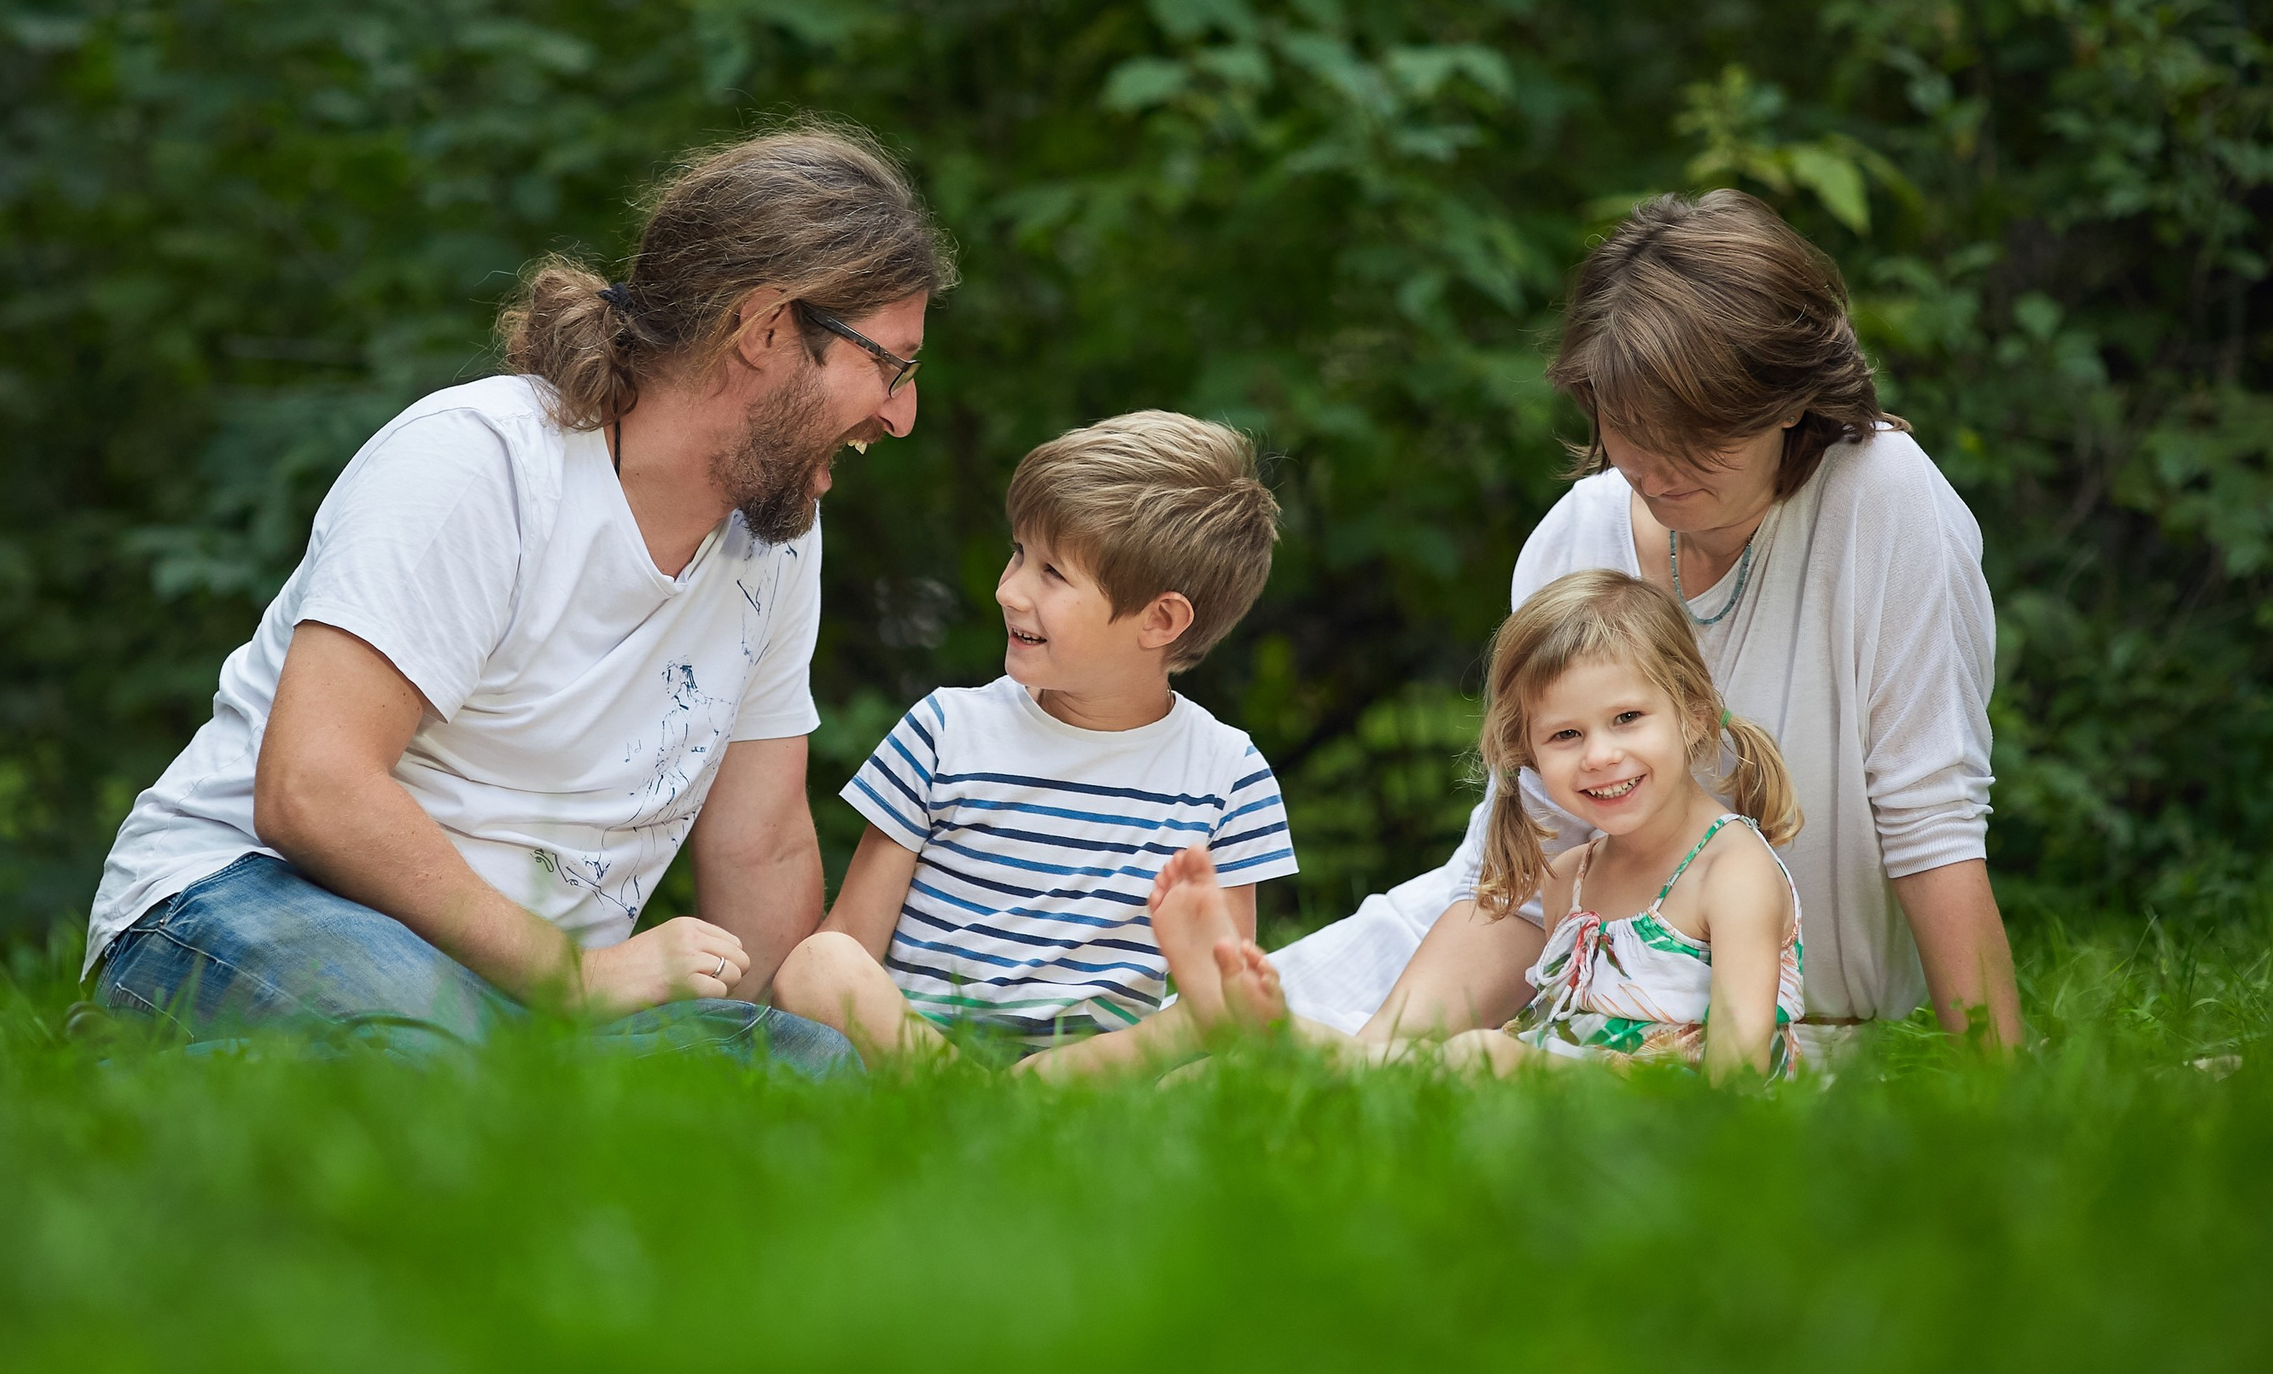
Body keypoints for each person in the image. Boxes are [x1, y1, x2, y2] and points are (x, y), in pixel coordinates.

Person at [83, 123, 954, 1070]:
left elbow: (765, 842)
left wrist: (782, 1041)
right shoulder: (479, 461)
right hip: (257, 897)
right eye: (889, 364)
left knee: (811, 1074)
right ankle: (137, 1078)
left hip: (526, 997)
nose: (900, 415)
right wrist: (570, 979)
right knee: (426, 1045)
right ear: (766, 327)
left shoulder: (774, 533)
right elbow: (312, 787)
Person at [1272, 188, 2022, 1059]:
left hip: (1762, 1014)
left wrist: (2002, 1078)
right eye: (1627, 427)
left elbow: (1932, 823)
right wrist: (1382, 1054)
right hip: (1547, 968)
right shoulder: (1577, 534)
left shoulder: (1883, 499)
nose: (1655, 470)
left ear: (1787, 397)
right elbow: (1524, 881)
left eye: (1698, 435)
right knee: (1206, 1038)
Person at [769, 411, 1298, 1076]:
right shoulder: (946, 730)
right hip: (914, 1061)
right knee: (821, 961)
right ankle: (977, 1104)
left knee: (1218, 1067)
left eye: (1052, 573)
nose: (1007, 588)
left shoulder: (1228, 775)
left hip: (1092, 1082)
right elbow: (849, 948)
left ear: (1160, 619)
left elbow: (1217, 996)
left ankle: (1016, 1108)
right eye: (1019, 552)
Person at [1163, 570, 1807, 1084]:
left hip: (1668, 1114)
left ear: (1694, 714)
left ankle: (1289, 1042)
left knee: (1480, 1059)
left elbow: (1740, 1070)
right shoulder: (1569, 879)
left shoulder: (1732, 870)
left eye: (1628, 717)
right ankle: (1288, 1063)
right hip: (1565, 1107)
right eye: (1566, 735)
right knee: (1457, 1064)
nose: (1600, 755)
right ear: (1528, 755)